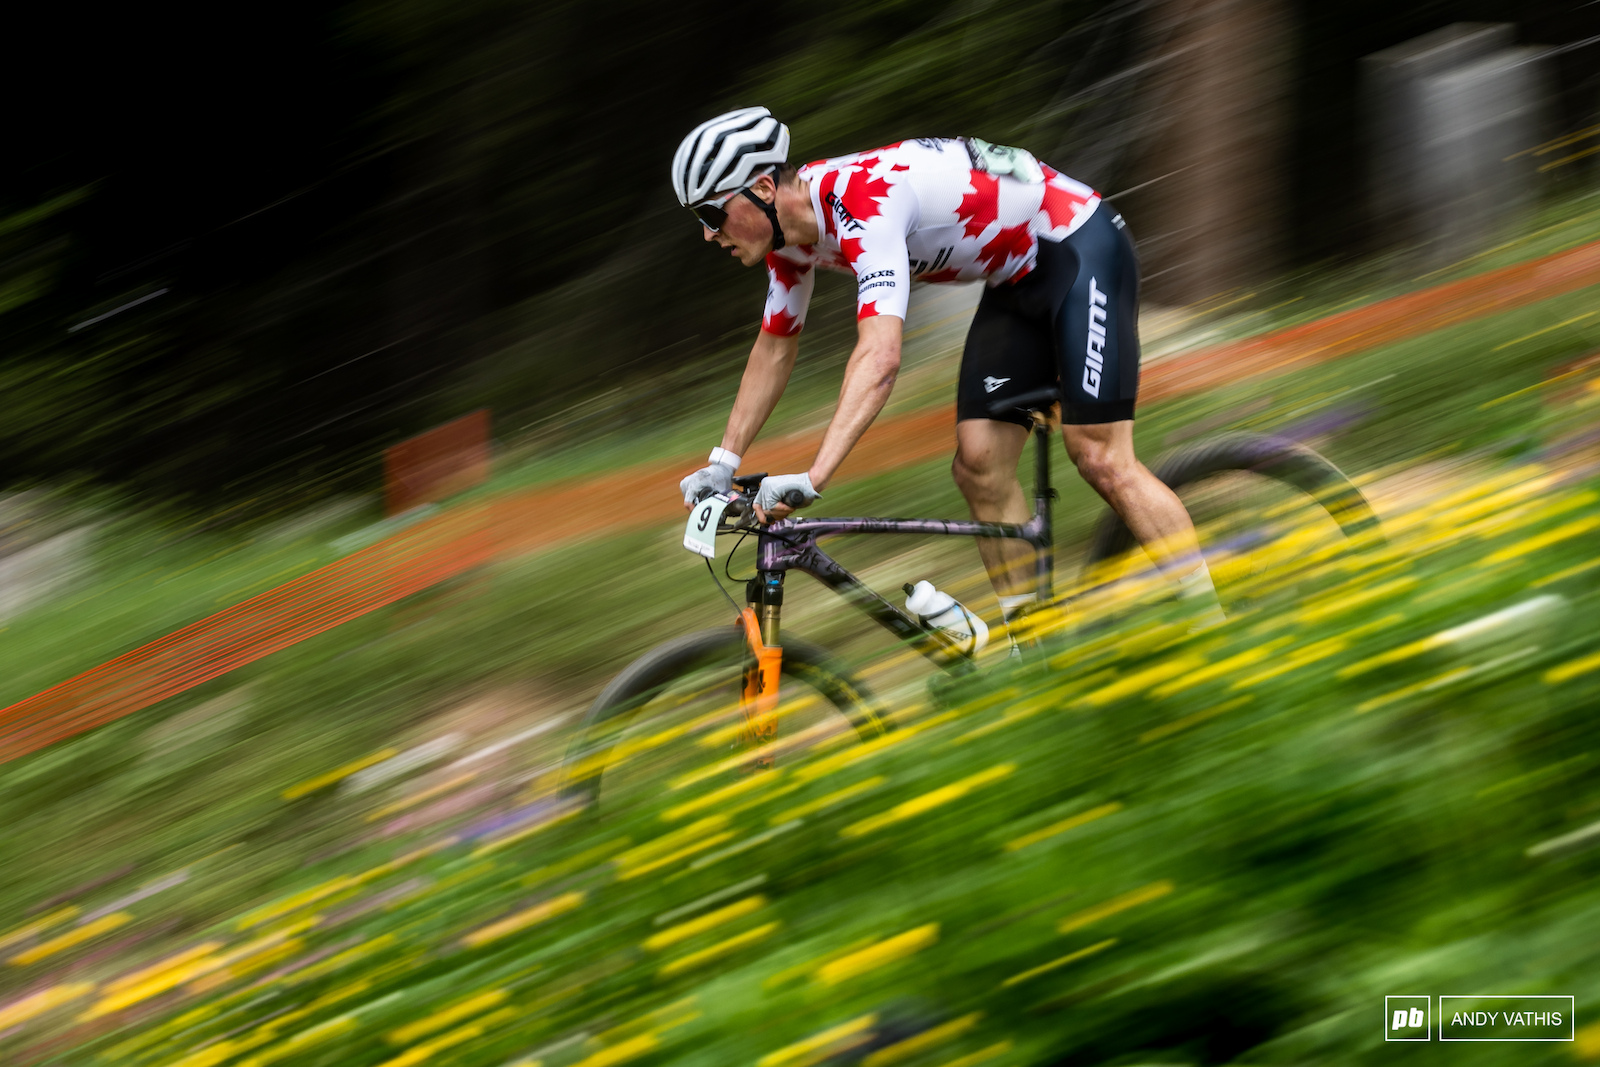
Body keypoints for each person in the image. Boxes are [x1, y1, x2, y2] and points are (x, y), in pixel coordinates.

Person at [673, 106, 1223, 634]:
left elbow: (881, 356)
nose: (707, 234)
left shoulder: (863, 201)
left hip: (1078, 245)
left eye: (710, 214)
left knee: (1100, 457)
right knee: (979, 466)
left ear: (765, 191)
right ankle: (1035, 652)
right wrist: (724, 461)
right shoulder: (790, 244)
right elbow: (773, 349)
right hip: (1015, 280)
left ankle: (1214, 625)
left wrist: (816, 477)